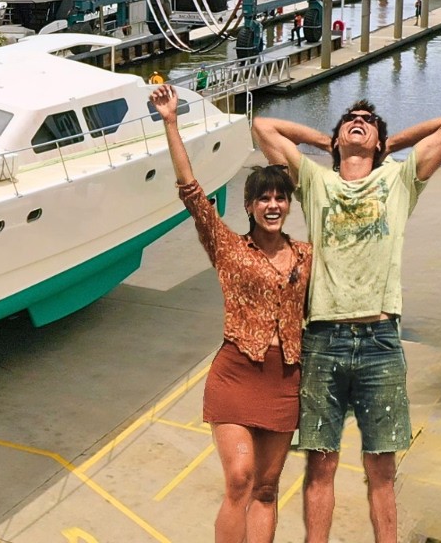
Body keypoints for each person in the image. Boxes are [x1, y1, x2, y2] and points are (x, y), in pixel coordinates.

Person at [252, 102, 441, 542]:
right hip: (324, 337)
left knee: (381, 465)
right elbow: (262, 126)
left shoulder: (399, 180)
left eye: (369, 121)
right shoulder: (316, 182)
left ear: (379, 141)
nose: (359, 122)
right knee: (322, 462)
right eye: (351, 118)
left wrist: (391, 145)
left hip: (380, 339)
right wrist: (324, 142)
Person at [151, 84, 311, 542]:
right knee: (240, 477)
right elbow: (191, 192)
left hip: (286, 380)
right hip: (237, 374)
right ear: (249, 206)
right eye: (263, 198)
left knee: (266, 488)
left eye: (280, 197)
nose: (273, 205)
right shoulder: (228, 248)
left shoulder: (306, 255)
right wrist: (171, 122)